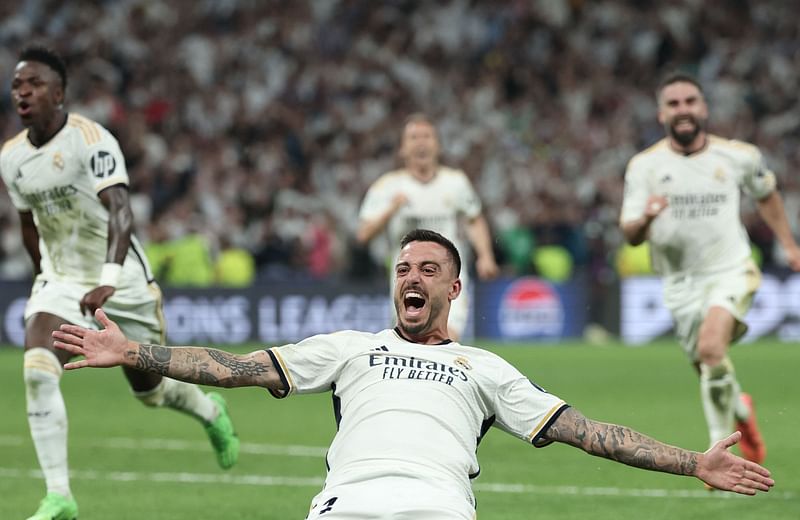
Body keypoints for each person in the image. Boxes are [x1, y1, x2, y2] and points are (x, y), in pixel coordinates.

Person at [53, 229, 773, 519]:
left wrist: (691, 464)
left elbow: (589, 433)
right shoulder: (347, 348)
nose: (412, 277)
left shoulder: (485, 369)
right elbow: (237, 368)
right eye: (403, 268)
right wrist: (135, 353)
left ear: (455, 288)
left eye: (429, 268)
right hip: (346, 510)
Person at [0, 45, 240, 520]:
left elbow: (122, 212)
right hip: (63, 280)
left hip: (123, 282)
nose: (23, 92)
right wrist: (42, 279)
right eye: (16, 85)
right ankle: (60, 496)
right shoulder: (11, 157)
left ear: (60, 93)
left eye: (34, 84)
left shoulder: (92, 140)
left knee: (151, 392)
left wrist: (108, 280)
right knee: (36, 370)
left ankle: (209, 411)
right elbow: (28, 224)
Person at [619, 72, 800, 469]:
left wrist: (788, 244)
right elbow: (630, 233)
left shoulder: (738, 156)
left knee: (711, 347)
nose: (683, 110)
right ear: (661, 113)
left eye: (690, 101)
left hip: (731, 269)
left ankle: (719, 455)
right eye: (674, 104)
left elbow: (766, 194)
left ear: (704, 108)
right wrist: (646, 219)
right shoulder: (644, 166)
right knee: (709, 365)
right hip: (680, 283)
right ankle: (742, 411)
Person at [356, 113, 499, 341]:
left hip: (446, 277)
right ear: (403, 148)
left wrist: (485, 256)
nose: (421, 142)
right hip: (407, 279)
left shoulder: (455, 182)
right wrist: (391, 209)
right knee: (410, 343)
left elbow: (474, 219)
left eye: (427, 136)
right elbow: (363, 234)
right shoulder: (388, 186)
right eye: (414, 137)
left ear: (437, 145)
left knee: (445, 337)